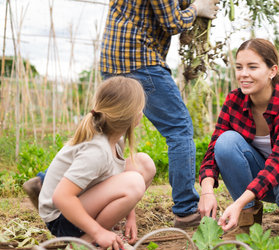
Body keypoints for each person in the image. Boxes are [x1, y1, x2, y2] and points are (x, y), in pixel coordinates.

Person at [23, 0, 220, 228]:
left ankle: (45, 181)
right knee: (179, 128)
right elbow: (172, 22)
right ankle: (186, 209)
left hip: (114, 57)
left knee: (106, 129)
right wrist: (197, 9)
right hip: (139, 57)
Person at [198, 39, 279, 235]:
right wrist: (206, 191)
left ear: (272, 71)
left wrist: (238, 203)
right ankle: (248, 220)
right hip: (259, 181)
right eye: (239, 67)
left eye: (252, 67)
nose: (243, 74)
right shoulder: (234, 100)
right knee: (225, 142)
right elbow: (213, 149)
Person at [39, 77, 156, 250]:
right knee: (134, 182)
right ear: (134, 116)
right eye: (140, 108)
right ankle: (85, 242)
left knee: (144, 164)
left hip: (81, 204)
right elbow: (62, 197)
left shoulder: (116, 140)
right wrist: (98, 232)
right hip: (62, 218)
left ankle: (105, 228)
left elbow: (113, 178)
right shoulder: (97, 150)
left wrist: (130, 216)